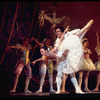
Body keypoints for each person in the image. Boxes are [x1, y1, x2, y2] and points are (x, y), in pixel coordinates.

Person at [44, 19, 94, 94]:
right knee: (59, 74)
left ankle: (77, 89)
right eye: (56, 32)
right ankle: (58, 90)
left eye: (58, 31)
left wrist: (85, 28)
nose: (57, 33)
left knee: (72, 74)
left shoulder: (68, 36)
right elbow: (56, 48)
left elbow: (75, 37)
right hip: (61, 58)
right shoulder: (58, 41)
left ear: (62, 32)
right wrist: (51, 52)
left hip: (68, 57)